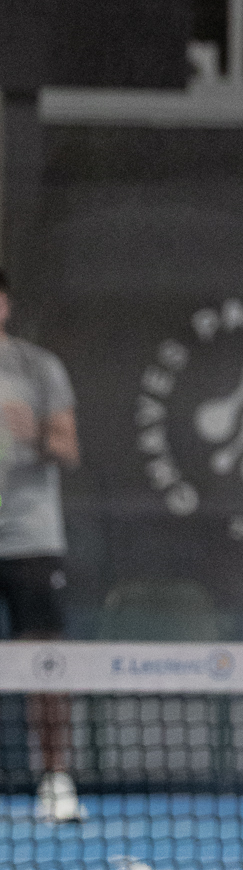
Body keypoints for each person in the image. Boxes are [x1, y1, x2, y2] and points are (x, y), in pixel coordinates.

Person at [0, 268, 82, 823]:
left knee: (44, 663)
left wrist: (31, 431)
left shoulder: (38, 367)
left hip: (29, 539)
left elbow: (68, 448)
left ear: (4, 305)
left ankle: (55, 779)